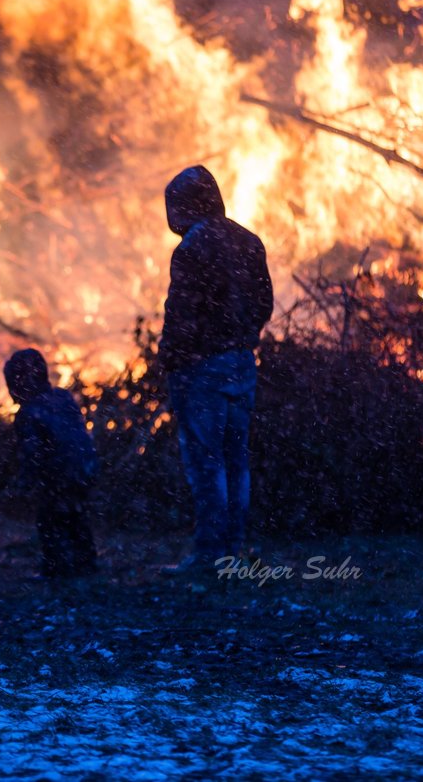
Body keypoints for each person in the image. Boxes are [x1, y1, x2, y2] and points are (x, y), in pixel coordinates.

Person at [158, 165, 274, 573]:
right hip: (241, 363)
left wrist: (170, 359)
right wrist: (242, 337)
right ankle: (234, 550)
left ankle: (210, 555)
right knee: (236, 460)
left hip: (201, 369)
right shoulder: (249, 241)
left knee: (207, 464)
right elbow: (264, 305)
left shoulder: (192, 248)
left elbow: (182, 315)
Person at [4, 348, 99, 580]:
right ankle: (86, 564)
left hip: (58, 474)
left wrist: (24, 483)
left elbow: (32, 453)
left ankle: (56, 569)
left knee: (49, 521)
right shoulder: (63, 398)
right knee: (76, 515)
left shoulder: (28, 413)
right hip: (84, 467)